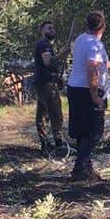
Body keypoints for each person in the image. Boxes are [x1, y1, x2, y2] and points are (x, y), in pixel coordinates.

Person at [66, 10, 110, 182]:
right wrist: (95, 96)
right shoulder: (95, 44)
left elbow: (96, 62)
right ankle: (80, 168)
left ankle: (85, 166)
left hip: (74, 88)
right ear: (103, 26)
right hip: (87, 91)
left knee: (82, 130)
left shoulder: (80, 39)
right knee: (94, 131)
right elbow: (92, 67)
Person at [33, 20, 70, 151]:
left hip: (44, 83)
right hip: (46, 84)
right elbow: (47, 62)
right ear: (42, 31)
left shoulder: (46, 45)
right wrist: (62, 53)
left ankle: (44, 143)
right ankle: (58, 144)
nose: (52, 30)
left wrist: (57, 79)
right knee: (55, 113)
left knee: (42, 113)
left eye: (53, 28)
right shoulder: (44, 44)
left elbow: (50, 66)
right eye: (49, 28)